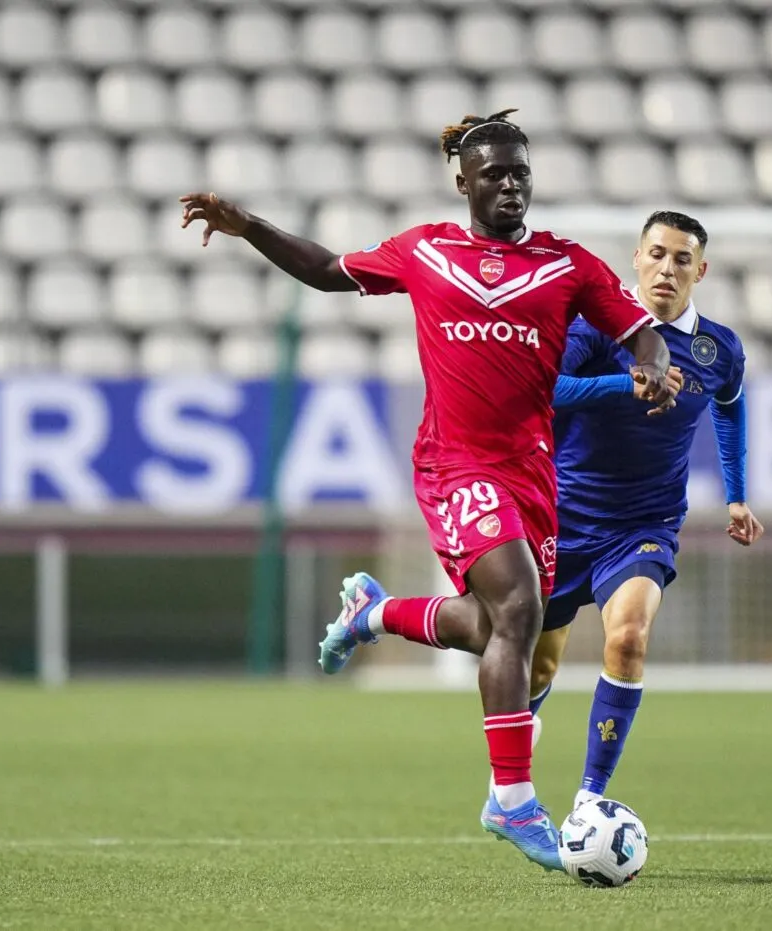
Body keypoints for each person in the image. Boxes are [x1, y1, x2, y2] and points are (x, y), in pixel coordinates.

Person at [179, 109, 676, 873]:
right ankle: (512, 800)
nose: (510, 185)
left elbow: (637, 327)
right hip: (455, 463)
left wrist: (647, 362)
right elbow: (324, 268)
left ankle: (373, 610)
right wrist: (250, 227)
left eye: (521, 173)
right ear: (463, 181)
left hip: (531, 471)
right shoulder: (426, 252)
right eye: (495, 174)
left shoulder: (568, 264)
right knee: (518, 611)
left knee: (492, 626)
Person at [530, 210, 764, 813]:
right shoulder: (592, 329)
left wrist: (737, 492)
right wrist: (623, 383)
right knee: (534, 670)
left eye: (682, 259)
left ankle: (590, 802)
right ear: (636, 259)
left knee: (629, 639)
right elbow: (542, 390)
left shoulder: (718, 348)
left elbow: (730, 407)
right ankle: (512, 789)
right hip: (561, 515)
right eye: (656, 253)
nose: (667, 268)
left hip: (643, 525)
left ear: (701, 271)